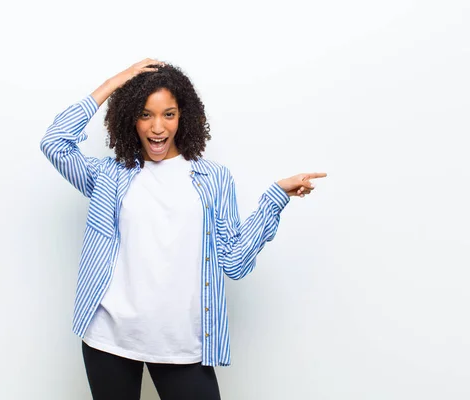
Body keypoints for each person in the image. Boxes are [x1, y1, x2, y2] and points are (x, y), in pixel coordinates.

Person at [40, 58, 327, 400]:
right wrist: (116, 82)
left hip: (181, 343)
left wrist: (275, 198)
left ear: (184, 117)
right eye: (145, 114)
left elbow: (234, 260)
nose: (157, 127)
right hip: (109, 339)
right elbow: (55, 142)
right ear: (130, 117)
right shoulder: (109, 176)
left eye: (168, 114)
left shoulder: (213, 179)